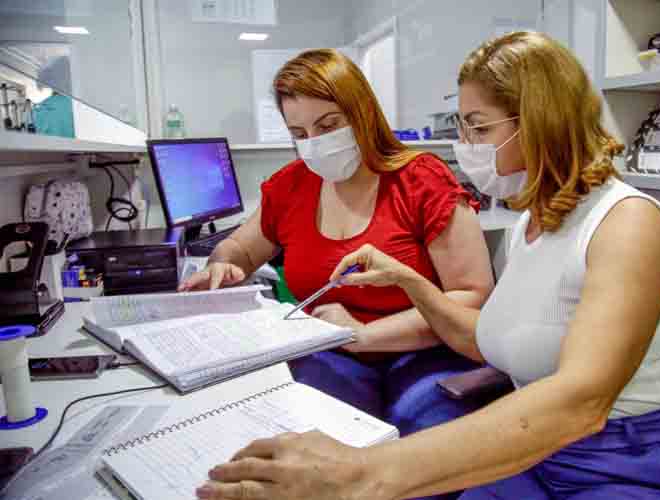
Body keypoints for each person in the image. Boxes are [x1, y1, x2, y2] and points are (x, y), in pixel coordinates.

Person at [196, 32, 660, 500]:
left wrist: (364, 472)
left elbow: (581, 402)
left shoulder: (628, 223)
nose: (466, 145)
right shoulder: (535, 224)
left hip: (635, 461)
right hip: (544, 453)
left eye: (478, 128)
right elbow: (487, 341)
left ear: (541, 122)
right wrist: (410, 281)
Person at [179, 48, 495, 480]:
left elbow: (471, 297)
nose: (314, 142)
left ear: (361, 113)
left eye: (328, 126)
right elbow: (240, 249)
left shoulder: (421, 180)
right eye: (300, 132)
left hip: (424, 352)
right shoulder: (291, 186)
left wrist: (365, 334)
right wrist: (224, 263)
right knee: (311, 452)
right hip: (332, 355)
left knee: (416, 455)